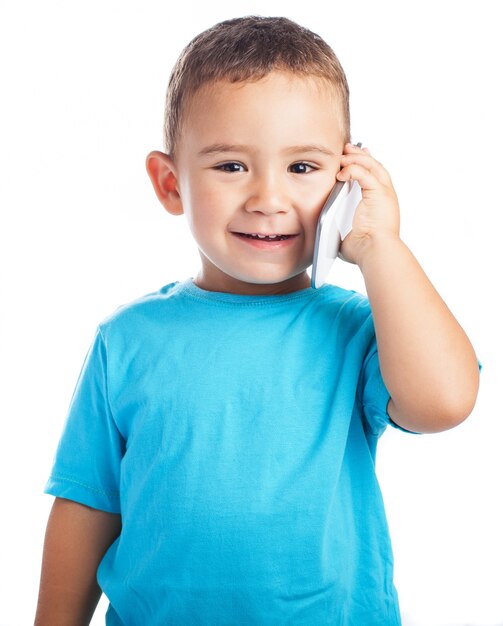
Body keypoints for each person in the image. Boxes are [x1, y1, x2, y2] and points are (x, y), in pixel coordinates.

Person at [34, 16, 480, 626]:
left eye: (302, 168)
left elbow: (445, 401)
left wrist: (382, 246)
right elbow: (88, 503)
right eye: (231, 166)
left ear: (346, 181)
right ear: (170, 183)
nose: (268, 198)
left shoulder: (357, 329)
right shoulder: (128, 339)